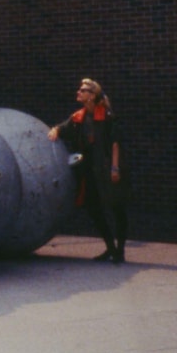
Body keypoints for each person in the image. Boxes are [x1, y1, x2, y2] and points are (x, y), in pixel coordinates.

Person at [48, 78, 128, 263]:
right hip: (91, 171)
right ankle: (110, 247)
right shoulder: (79, 117)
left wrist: (115, 168)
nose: (79, 92)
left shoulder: (107, 116)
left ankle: (120, 251)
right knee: (94, 209)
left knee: (117, 208)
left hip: (108, 168)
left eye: (83, 90)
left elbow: (115, 144)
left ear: (92, 96)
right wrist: (56, 130)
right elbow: (63, 127)